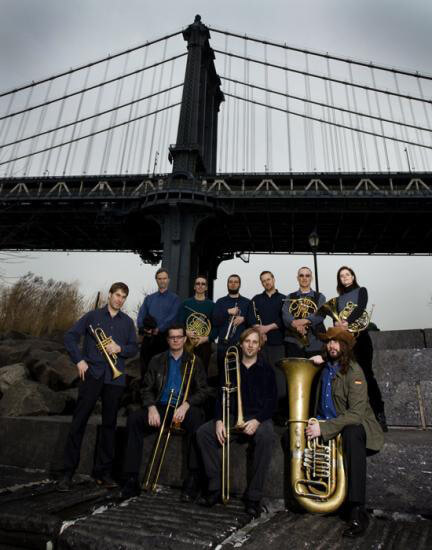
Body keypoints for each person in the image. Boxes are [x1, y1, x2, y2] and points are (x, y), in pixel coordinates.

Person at [57, 282, 138, 492]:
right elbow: (70, 336)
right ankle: (67, 473)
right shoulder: (92, 317)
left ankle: (103, 473)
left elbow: (133, 348)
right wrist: (79, 360)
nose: (119, 299)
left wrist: (119, 347)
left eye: (123, 297)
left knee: (109, 426)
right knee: (79, 422)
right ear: (109, 295)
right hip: (92, 374)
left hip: (115, 379)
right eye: (117, 295)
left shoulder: (128, 323)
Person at [308, 327, 384, 539]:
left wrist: (323, 428)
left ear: (345, 347)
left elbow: (356, 415)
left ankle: (357, 508)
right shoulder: (325, 368)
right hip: (328, 421)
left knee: (352, 433)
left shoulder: (354, 371)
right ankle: (317, 496)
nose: (332, 346)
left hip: (353, 424)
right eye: (329, 342)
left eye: (337, 342)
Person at [121, 324, 208, 501]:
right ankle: (131, 478)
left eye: (179, 337)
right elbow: (146, 388)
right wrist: (151, 407)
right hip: (160, 406)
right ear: (168, 340)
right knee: (134, 420)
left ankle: (192, 480)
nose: (175, 340)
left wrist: (186, 405)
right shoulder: (157, 360)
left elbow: (204, 390)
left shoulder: (194, 361)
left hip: (183, 408)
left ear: (185, 339)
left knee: (197, 423)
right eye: (172, 337)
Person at [197, 327, 278, 518]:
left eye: (254, 342)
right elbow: (220, 397)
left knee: (267, 437)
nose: (250, 345)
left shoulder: (266, 369)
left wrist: (257, 420)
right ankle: (215, 488)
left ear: (259, 347)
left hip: (257, 418)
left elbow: (272, 402)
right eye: (247, 341)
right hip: (232, 417)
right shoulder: (229, 366)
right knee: (203, 433)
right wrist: (218, 420)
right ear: (241, 344)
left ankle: (254, 497)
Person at [334, 266, 387, 431]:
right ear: (339, 280)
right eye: (341, 276)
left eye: (347, 275)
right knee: (348, 378)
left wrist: (346, 322)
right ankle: (353, 416)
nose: (345, 278)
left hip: (360, 339)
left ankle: (379, 414)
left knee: (367, 375)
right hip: (346, 341)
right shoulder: (337, 300)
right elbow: (336, 318)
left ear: (353, 276)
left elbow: (360, 308)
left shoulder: (361, 291)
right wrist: (337, 324)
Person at [247, 271, 286, 422]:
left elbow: (284, 320)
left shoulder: (284, 299)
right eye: (263, 281)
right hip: (261, 345)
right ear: (261, 283)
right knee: (262, 380)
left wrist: (266, 328)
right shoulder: (256, 299)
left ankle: (279, 413)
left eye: (269, 279)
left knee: (280, 382)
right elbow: (251, 317)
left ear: (274, 279)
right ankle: (263, 413)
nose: (267, 282)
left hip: (278, 344)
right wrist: (259, 330)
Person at [137, 268, 180, 379]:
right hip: (148, 337)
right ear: (156, 280)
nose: (162, 281)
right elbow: (141, 315)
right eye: (159, 278)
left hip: (164, 339)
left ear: (168, 280)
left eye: (164, 278)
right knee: (145, 370)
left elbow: (172, 317)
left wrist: (159, 329)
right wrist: (143, 327)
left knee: (162, 372)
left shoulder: (174, 299)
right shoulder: (149, 299)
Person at [282, 266, 326, 358]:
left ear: (311, 278)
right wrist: (294, 323)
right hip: (293, 341)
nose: (304, 278)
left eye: (307, 275)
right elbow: (285, 314)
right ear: (297, 278)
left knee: (316, 370)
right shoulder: (289, 296)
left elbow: (321, 314)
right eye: (301, 275)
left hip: (315, 341)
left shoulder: (320, 297)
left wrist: (303, 321)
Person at [212, 274, 250, 376]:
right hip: (223, 344)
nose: (233, 284)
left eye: (236, 282)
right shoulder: (220, 302)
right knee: (223, 375)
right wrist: (228, 311)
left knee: (241, 374)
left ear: (239, 285)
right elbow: (215, 321)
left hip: (241, 345)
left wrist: (244, 319)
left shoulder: (247, 302)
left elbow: (252, 323)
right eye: (230, 282)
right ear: (227, 284)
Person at [177, 275, 215, 373]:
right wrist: (186, 331)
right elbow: (179, 323)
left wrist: (206, 338)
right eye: (198, 283)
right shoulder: (186, 304)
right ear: (194, 287)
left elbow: (216, 327)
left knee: (202, 372)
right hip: (187, 343)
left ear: (206, 287)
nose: (200, 286)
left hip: (204, 344)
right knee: (185, 371)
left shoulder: (212, 305)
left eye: (203, 284)